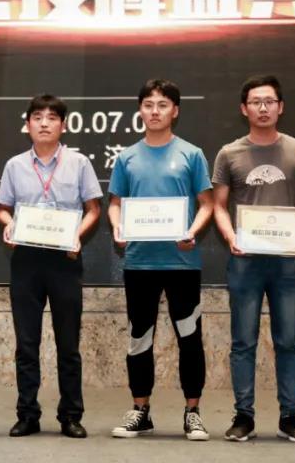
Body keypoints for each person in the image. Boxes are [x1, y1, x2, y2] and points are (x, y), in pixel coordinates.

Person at [212, 75, 295, 443]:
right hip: (246, 261)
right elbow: (219, 205)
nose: (263, 107)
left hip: (287, 262)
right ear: (244, 109)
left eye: (269, 101)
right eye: (255, 101)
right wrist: (230, 236)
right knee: (243, 341)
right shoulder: (229, 153)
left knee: (288, 341)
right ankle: (244, 415)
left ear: (280, 107)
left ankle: (290, 416)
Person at [107, 79, 215, 441]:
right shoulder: (127, 157)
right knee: (139, 338)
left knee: (189, 337)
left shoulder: (191, 154)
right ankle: (140, 410)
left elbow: (207, 204)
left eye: (163, 105)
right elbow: (115, 203)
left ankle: (193, 412)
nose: (155, 111)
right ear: (140, 110)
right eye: (149, 105)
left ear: (175, 111)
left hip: (182, 262)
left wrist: (192, 231)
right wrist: (118, 226)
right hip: (139, 262)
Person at [0, 94, 103, 439]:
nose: (44, 123)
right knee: (26, 344)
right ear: (27, 124)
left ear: (63, 125)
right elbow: (2, 208)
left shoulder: (79, 163)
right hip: (26, 260)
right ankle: (27, 414)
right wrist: (9, 224)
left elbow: (94, 209)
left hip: (65, 260)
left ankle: (71, 415)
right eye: (37, 117)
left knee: (68, 345)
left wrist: (77, 235)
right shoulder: (14, 166)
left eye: (52, 118)